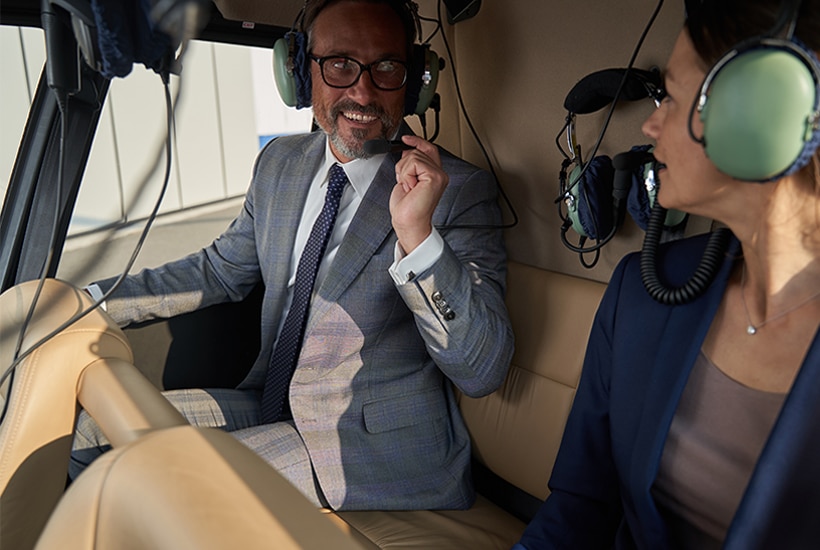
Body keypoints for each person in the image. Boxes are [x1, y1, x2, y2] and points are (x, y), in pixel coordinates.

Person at [70, 0, 514, 513]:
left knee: (159, 485)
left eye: (386, 67)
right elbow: (218, 269)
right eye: (340, 64)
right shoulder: (280, 162)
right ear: (300, 72)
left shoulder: (458, 191)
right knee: (86, 435)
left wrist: (417, 236)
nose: (363, 92)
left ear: (414, 81)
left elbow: (483, 369)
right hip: (270, 402)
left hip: (369, 446)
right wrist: (86, 302)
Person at [515, 0, 820, 548]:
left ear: (767, 114)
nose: (650, 124)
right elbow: (581, 506)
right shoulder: (641, 292)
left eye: (673, 98)